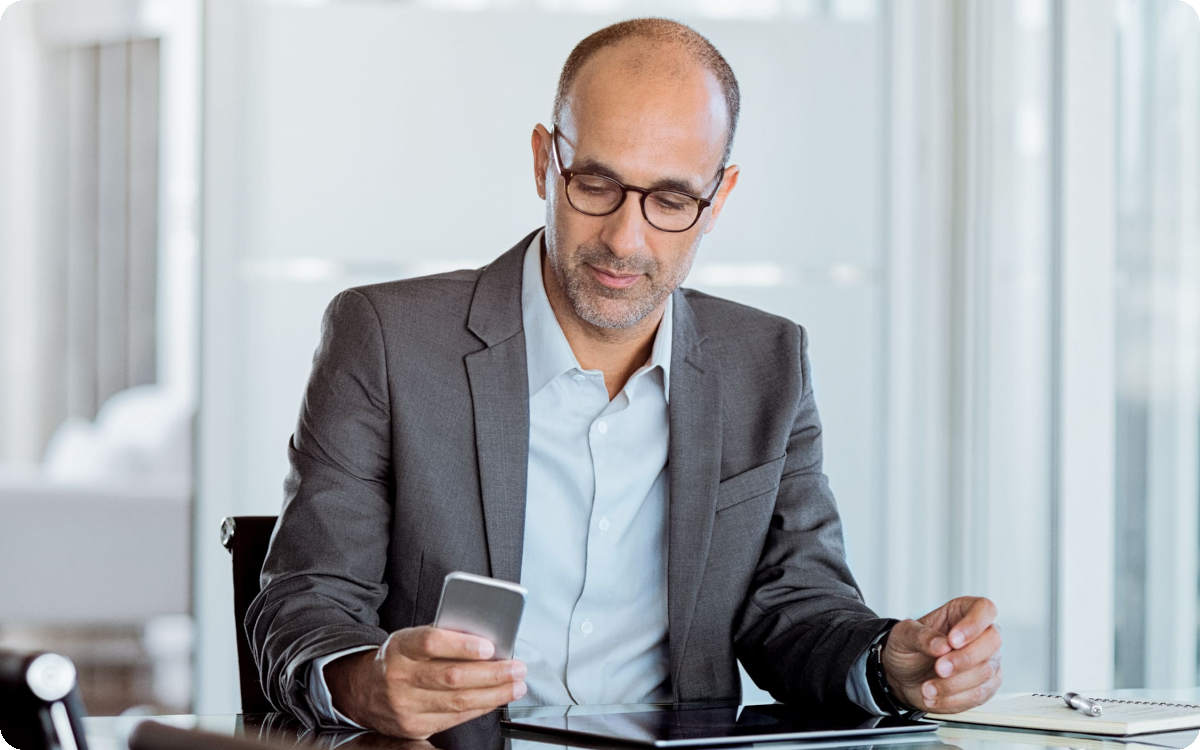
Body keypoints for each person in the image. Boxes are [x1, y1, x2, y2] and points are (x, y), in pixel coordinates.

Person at [247, 17, 1002, 741]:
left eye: (671, 200)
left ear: (720, 199)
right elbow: (305, 601)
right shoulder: (387, 340)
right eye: (596, 185)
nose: (624, 239)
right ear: (545, 160)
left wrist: (887, 661)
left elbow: (796, 611)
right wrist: (363, 679)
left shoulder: (766, 362)